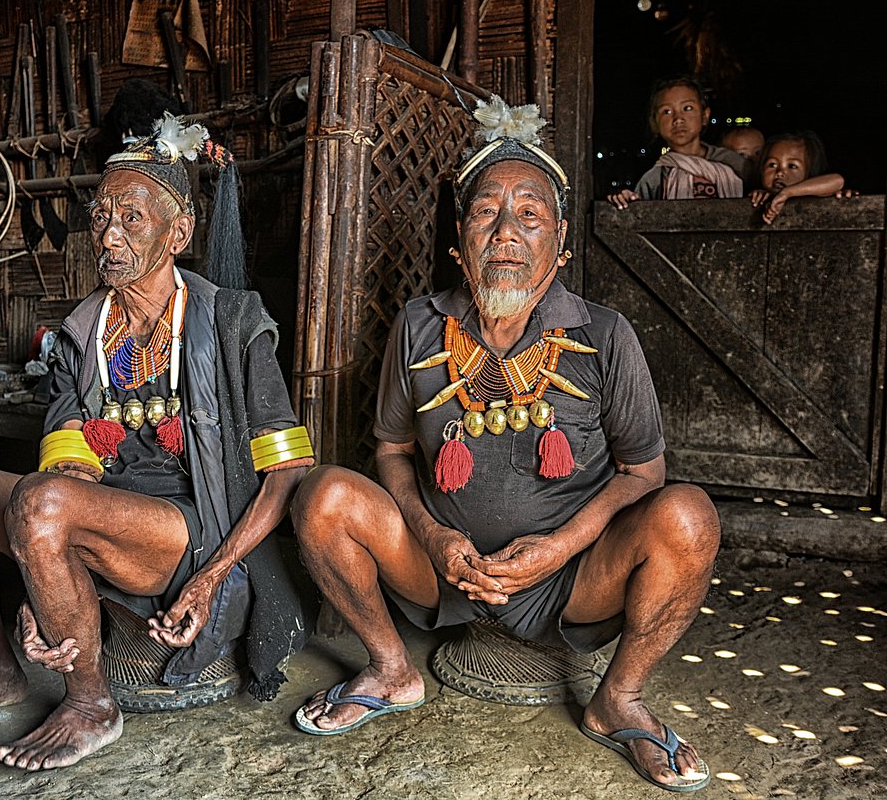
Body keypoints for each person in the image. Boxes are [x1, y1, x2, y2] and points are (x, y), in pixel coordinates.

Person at [292, 95, 719, 794]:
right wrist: (431, 535)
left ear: (560, 245)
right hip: (441, 567)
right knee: (323, 494)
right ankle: (391, 667)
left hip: (573, 577)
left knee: (690, 517)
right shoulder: (419, 325)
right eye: (487, 211)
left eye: (530, 213)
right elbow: (393, 448)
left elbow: (644, 471)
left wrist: (560, 546)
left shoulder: (604, 335)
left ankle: (618, 699)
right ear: (460, 241)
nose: (507, 229)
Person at [0, 114, 313, 770]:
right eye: (100, 218)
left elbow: (286, 474)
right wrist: (41, 575)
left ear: (179, 232)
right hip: (100, 515)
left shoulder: (233, 321)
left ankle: (91, 702)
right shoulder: (82, 331)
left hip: (189, 532)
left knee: (41, 505)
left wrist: (209, 577)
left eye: (133, 219)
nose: (109, 236)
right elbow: (71, 466)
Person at [607, 76, 745, 208]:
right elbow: (637, 214)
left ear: (704, 116)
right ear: (655, 123)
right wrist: (625, 201)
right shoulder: (655, 177)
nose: (678, 119)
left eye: (687, 108)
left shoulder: (734, 164)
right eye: (666, 111)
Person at [751, 130, 851, 224]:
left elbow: (837, 181)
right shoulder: (760, 195)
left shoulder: (818, 191)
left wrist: (787, 193)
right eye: (772, 165)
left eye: (792, 166)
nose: (780, 172)